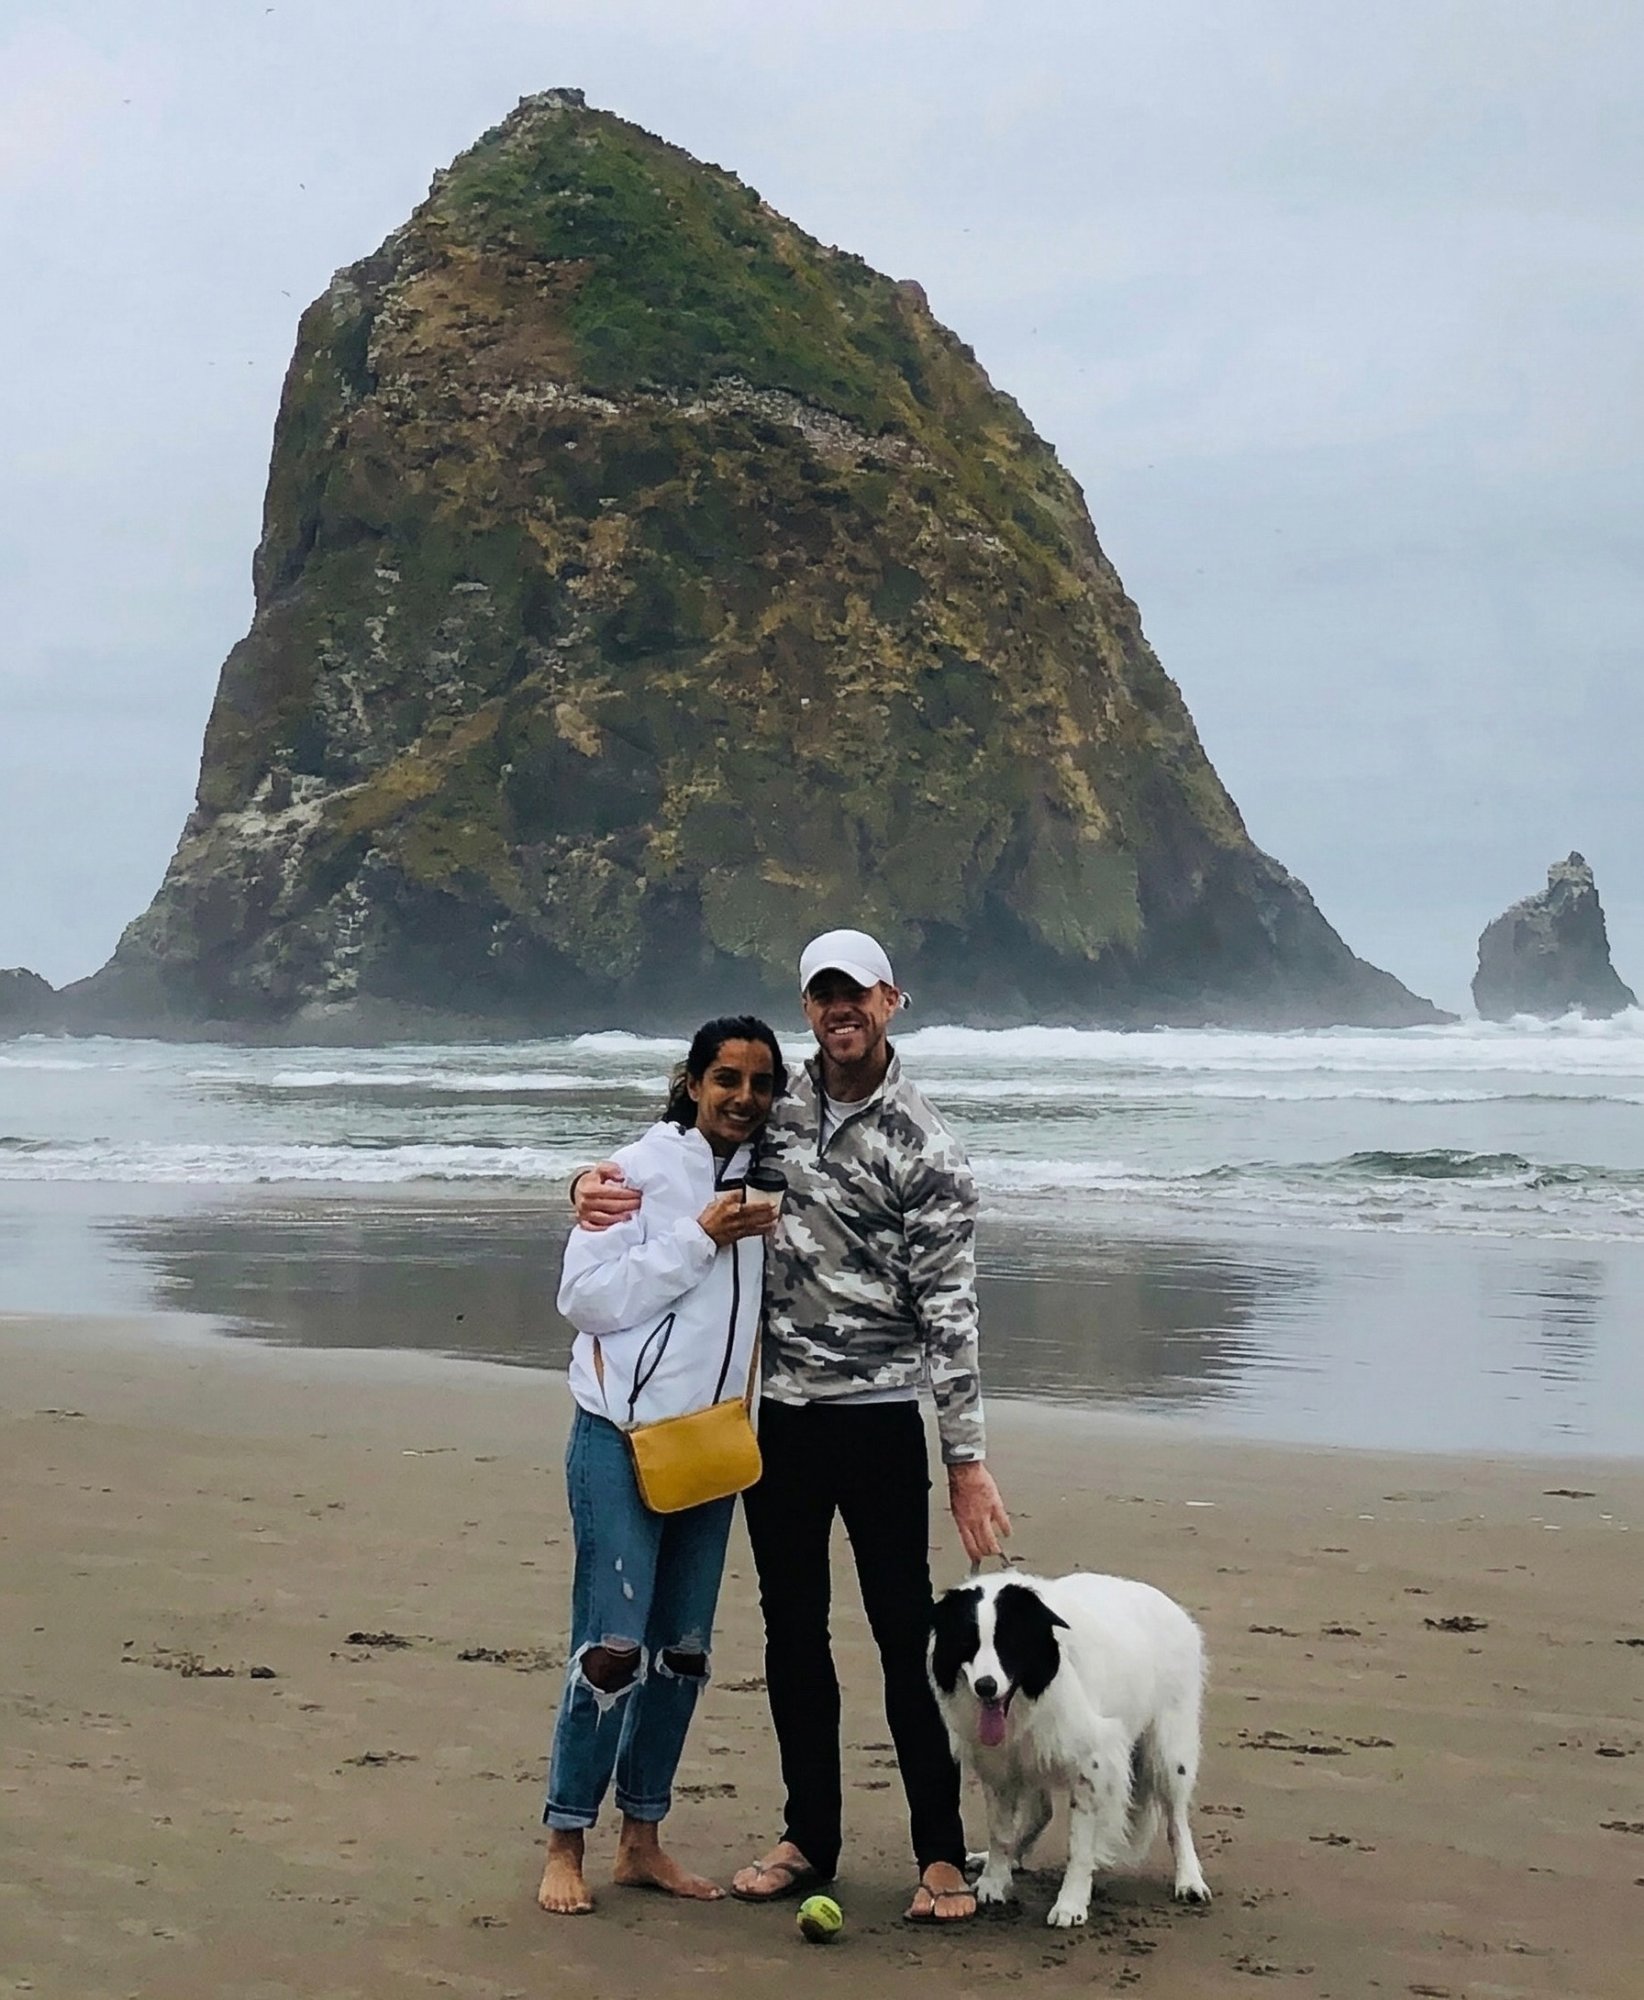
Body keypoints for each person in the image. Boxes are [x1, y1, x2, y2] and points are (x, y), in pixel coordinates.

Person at [573, 930, 1011, 1923]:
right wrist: (582, 1184)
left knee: (907, 1635)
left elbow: (952, 1311)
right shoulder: (778, 1112)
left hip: (880, 1420)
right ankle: (810, 1835)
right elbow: (672, 1155)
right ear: (807, 1006)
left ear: (891, 999)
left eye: (854, 991)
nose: (838, 1009)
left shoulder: (926, 1148)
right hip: (782, 1423)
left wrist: (968, 1461)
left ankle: (940, 1853)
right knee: (791, 1633)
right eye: (821, 994)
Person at [539, 1016, 783, 1917]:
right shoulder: (637, 1173)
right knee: (612, 1649)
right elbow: (585, 1299)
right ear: (691, 1082)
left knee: (682, 1654)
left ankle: (641, 1838)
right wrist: (701, 1236)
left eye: (760, 1084)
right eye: (727, 1079)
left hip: (714, 1442)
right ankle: (566, 1836)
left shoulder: (777, 1174)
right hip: (618, 1436)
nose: (743, 1099)